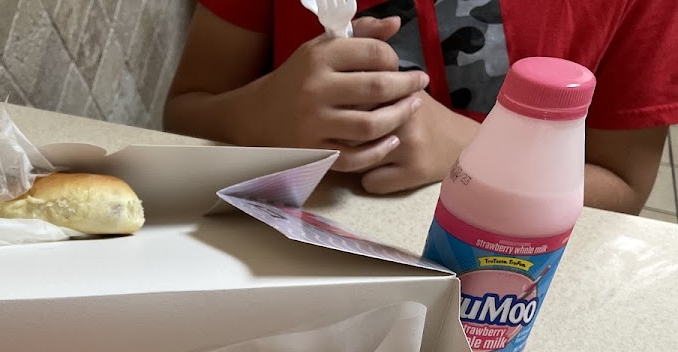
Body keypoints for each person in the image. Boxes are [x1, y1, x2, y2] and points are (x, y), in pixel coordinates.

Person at [164, 0, 678, 213]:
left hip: (497, 297)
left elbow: (622, 186)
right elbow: (185, 113)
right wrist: (264, 117)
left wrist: (477, 152)